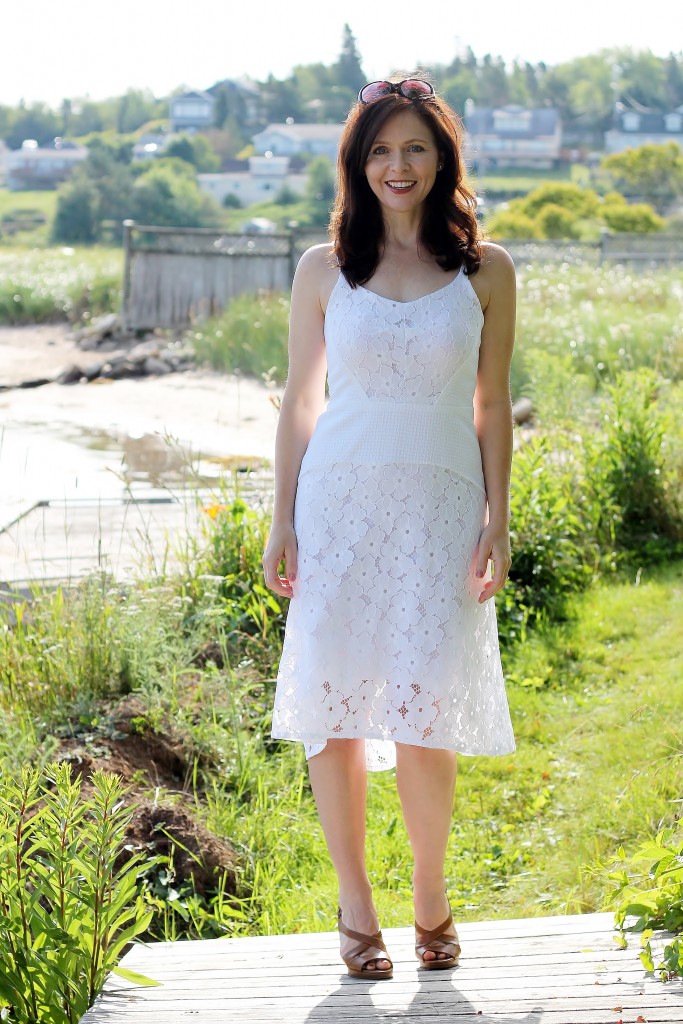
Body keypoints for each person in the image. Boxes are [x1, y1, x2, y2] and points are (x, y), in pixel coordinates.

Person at [262, 75, 517, 980]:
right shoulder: (321, 268)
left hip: (442, 511)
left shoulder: (485, 269)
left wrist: (499, 518)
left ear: (440, 155)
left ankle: (430, 896)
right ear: (356, 163)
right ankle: (354, 906)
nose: (396, 165)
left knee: (423, 714)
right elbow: (300, 399)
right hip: (336, 507)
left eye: (412, 147)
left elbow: (491, 404)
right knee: (331, 714)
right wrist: (279, 518)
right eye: (378, 150)